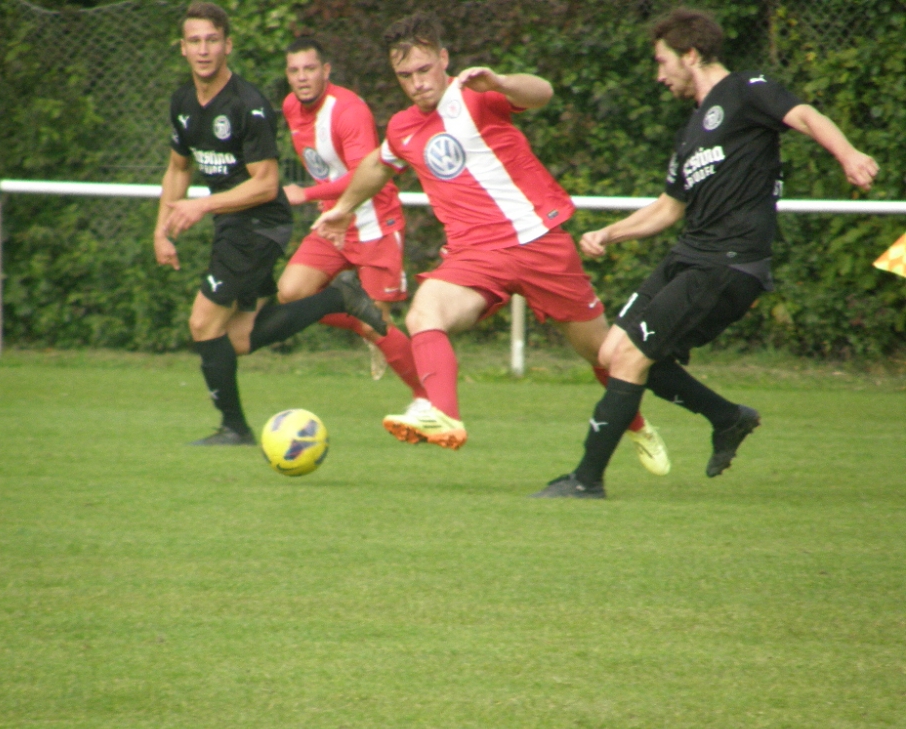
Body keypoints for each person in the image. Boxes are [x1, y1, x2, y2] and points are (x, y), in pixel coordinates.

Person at [532, 8, 879, 498]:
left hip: (728, 261)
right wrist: (610, 233)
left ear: (690, 54)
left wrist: (848, 154)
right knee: (612, 353)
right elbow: (669, 208)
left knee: (631, 357)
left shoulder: (745, 90)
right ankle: (726, 417)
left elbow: (803, 114)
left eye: (662, 61)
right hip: (691, 254)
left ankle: (586, 481)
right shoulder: (692, 132)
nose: (659, 75)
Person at [313, 11, 669, 477]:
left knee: (603, 355)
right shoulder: (402, 127)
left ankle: (639, 427)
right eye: (405, 75)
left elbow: (542, 94)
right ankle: (443, 413)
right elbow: (380, 165)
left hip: (540, 243)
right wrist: (344, 205)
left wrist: (499, 79)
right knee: (425, 312)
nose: (417, 83)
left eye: (424, 70)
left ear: (444, 59)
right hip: (475, 256)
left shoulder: (474, 96)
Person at [154, 2, 387, 446]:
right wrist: (160, 229)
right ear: (183, 48)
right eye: (195, 41)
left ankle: (234, 429)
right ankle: (337, 297)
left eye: (212, 40)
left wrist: (201, 207)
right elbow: (178, 168)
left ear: (228, 45)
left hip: (259, 223)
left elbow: (265, 185)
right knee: (237, 338)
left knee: (204, 324)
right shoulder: (183, 102)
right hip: (233, 225)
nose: (204, 50)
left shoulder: (248, 105)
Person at [279, 38, 427, 409]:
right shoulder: (290, 108)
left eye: (310, 69)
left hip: (375, 223)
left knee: (374, 324)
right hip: (334, 224)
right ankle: (367, 325)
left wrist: (307, 194)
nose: (302, 78)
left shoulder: (348, 111)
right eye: (294, 71)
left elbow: (366, 171)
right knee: (291, 294)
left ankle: (428, 399)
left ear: (326, 71)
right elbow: (326, 166)